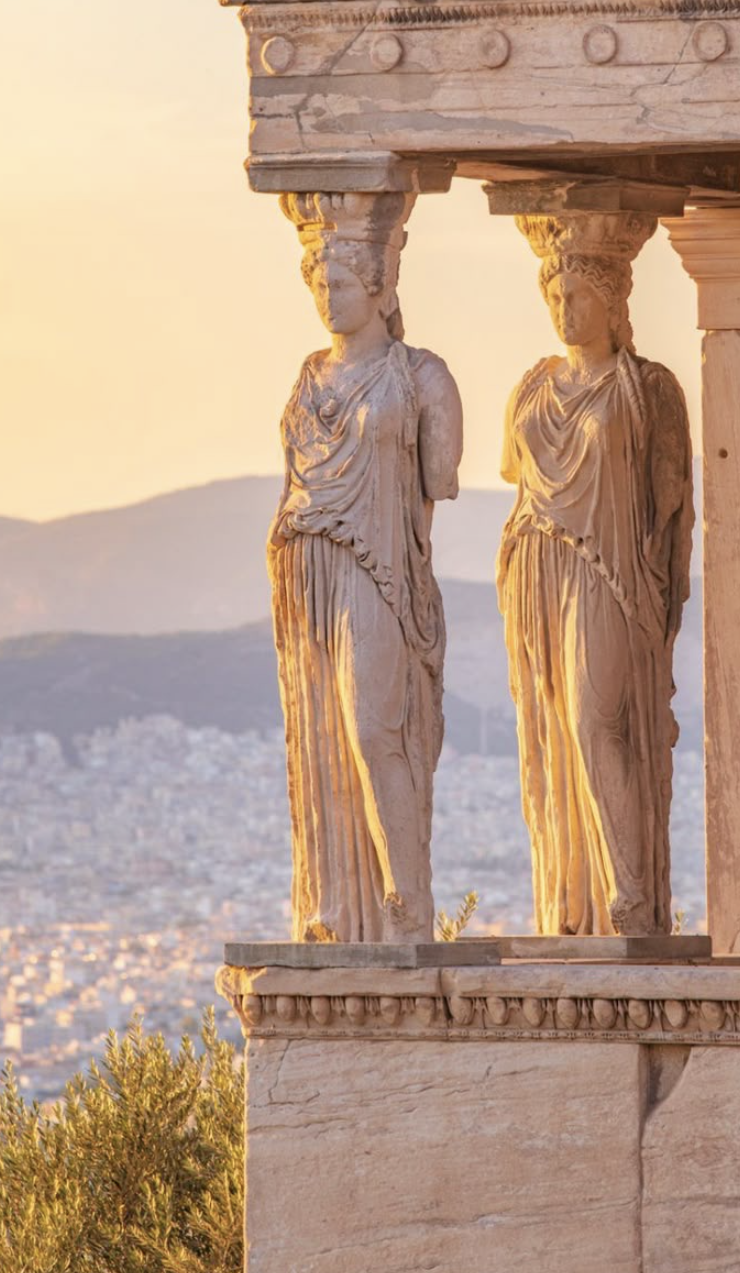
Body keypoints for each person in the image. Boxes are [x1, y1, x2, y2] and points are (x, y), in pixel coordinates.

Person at [269, 194, 462, 944]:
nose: (327, 296)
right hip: (305, 565)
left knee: (372, 725)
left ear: (380, 285)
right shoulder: (307, 376)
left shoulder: (420, 376)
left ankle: (407, 901)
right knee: (320, 733)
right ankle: (340, 911)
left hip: (380, 567)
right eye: (318, 284)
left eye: (341, 282)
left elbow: (439, 477)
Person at [498, 215, 692, 937]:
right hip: (539, 567)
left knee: (594, 719)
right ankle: (576, 902)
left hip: (612, 573)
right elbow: (514, 476)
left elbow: (670, 499)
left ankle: (633, 893)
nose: (563, 309)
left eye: (578, 295)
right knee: (552, 725)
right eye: (555, 295)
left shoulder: (646, 388)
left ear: (614, 301)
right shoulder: (530, 389)